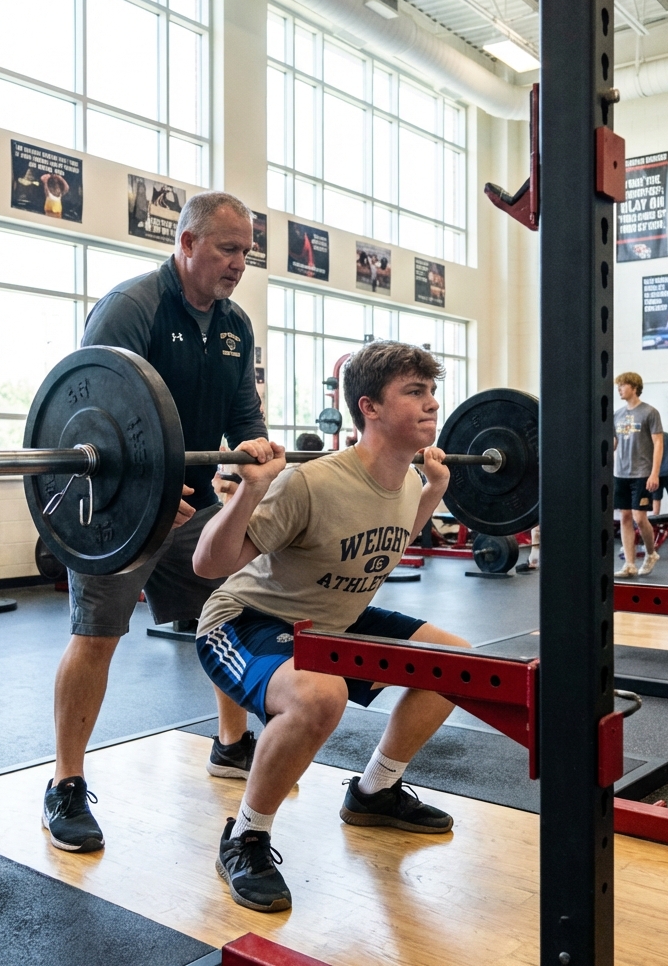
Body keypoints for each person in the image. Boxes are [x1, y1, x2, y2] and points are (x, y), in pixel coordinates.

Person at [193, 341, 470, 913]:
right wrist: (249, 488)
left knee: (458, 664)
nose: (431, 404)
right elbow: (208, 565)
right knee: (321, 694)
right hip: (246, 619)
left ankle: (375, 792)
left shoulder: (411, 483)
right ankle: (246, 836)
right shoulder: (311, 482)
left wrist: (435, 495)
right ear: (368, 407)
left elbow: (382, 554)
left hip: (332, 617)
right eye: (414, 392)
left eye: (431, 391)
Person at [42, 191, 267, 854]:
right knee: (97, 635)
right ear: (188, 243)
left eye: (246, 254)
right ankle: (66, 783)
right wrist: (140, 490)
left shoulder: (233, 325)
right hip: (119, 507)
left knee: (226, 611)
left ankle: (231, 743)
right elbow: (89, 408)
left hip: (194, 505)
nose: (237, 264)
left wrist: (256, 463)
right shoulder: (133, 306)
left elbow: (243, 414)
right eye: (227, 249)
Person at [612, 372, 663, 578]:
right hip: (621, 473)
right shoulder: (617, 415)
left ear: (634, 387)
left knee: (640, 518)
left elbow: (659, 443)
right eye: (619, 385)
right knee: (624, 516)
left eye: (623, 385)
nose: (619, 389)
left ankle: (651, 554)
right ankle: (630, 564)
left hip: (642, 472)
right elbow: (614, 443)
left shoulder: (650, 412)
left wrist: (655, 474)